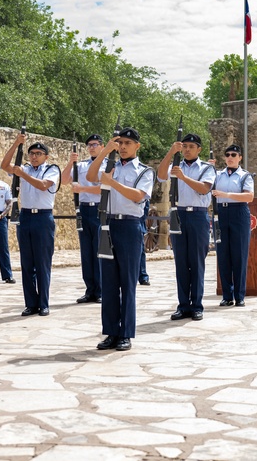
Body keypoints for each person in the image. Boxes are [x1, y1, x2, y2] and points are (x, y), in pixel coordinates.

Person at [86, 127, 155, 351]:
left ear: (137, 146)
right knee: (109, 283)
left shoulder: (145, 171)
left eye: (128, 143)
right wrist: (106, 149)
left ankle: (125, 333)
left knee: (127, 282)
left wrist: (112, 182)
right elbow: (89, 176)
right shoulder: (110, 164)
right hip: (108, 224)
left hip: (129, 226)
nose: (123, 147)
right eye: (120, 143)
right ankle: (111, 332)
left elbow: (138, 197)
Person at [158, 133, 216, 321]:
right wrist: (171, 152)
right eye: (185, 146)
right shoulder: (176, 165)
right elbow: (160, 175)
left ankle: (196, 305)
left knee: (196, 262)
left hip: (198, 215)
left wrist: (182, 178)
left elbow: (204, 189)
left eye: (191, 146)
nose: (187, 149)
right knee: (181, 262)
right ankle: (183, 305)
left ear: (199, 149)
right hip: (179, 214)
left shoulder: (207, 168)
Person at [1, 137, 59, 317]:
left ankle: (43, 303)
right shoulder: (23, 168)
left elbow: (43, 186)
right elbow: (5, 165)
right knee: (27, 263)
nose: (34, 157)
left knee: (42, 262)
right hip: (26, 216)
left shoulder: (51, 170)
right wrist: (16, 144)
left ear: (46, 157)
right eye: (32, 153)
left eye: (38, 154)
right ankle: (30, 303)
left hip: (43, 217)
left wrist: (23, 175)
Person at [61, 134, 106, 303]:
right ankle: (90, 290)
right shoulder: (81, 165)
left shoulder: (107, 164)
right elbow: (65, 180)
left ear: (102, 146)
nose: (92, 147)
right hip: (84, 210)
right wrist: (69, 162)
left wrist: (83, 189)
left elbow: (105, 189)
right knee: (86, 252)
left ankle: (101, 289)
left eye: (95, 144)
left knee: (99, 251)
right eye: (89, 145)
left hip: (100, 210)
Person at [213, 144, 254, 306]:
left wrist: (226, 194)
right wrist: (209, 168)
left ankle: (240, 295)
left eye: (233, 155)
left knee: (239, 255)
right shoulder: (218, 175)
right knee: (223, 255)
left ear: (240, 158)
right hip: (221, 213)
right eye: (227, 154)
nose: (230, 157)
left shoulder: (245, 176)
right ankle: (227, 295)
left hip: (239, 213)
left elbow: (249, 197)